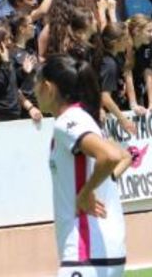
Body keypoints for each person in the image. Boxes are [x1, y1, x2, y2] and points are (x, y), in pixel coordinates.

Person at [36, 54, 130, 276]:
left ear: (48, 87)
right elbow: (121, 154)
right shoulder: (82, 118)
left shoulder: (68, 121)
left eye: (36, 85)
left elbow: (109, 155)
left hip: (85, 251)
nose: (34, 91)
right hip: (102, 252)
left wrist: (86, 193)